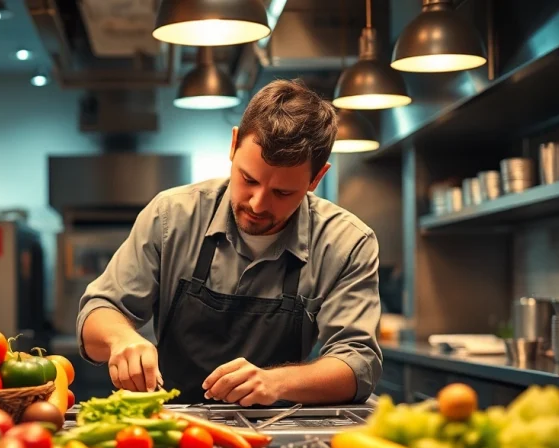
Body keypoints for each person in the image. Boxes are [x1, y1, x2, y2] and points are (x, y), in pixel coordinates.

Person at [76, 79, 382, 406]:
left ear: (316, 178)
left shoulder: (347, 242)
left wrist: (276, 382)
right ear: (234, 144)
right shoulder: (171, 216)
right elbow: (98, 311)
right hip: (179, 424)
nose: (258, 204)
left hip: (280, 427)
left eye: (283, 192)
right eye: (248, 179)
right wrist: (121, 339)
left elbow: (358, 363)